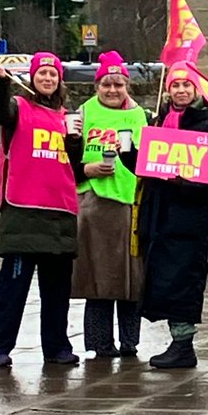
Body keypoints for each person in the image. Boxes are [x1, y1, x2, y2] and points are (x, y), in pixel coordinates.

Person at [0, 51, 84, 369]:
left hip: (60, 213)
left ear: (60, 80)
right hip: (23, 211)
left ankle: (56, 347)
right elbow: (0, 111)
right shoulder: (19, 108)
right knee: (13, 289)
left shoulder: (67, 118)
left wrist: (76, 145)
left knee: (57, 292)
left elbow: (77, 172)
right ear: (32, 78)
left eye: (53, 74)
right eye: (42, 73)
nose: (47, 79)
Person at [138, 64, 208, 369]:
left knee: (183, 281)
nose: (180, 90)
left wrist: (183, 183)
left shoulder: (207, 124)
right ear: (168, 90)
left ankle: (183, 345)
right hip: (160, 215)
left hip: (189, 218)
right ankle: (176, 342)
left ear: (196, 91)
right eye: (176, 85)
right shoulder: (160, 121)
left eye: (186, 85)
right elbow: (150, 170)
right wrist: (128, 156)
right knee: (164, 279)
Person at [69, 51, 148, 359]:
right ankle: (101, 343)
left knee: (132, 277)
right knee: (98, 278)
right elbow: (69, 156)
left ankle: (130, 341)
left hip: (131, 202)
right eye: (106, 84)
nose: (113, 90)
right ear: (96, 86)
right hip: (96, 204)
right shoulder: (84, 112)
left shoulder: (139, 114)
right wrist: (86, 170)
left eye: (118, 84)